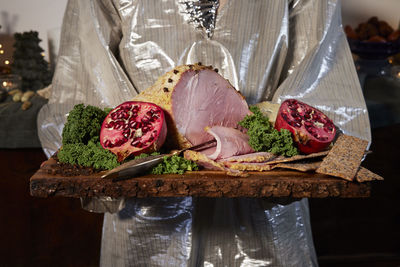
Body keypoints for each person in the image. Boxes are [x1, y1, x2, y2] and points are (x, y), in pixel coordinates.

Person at [38, 0, 371, 266]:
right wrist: (140, 142)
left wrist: (263, 149)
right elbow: (86, 77)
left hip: (267, 221)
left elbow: (323, 79)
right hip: (149, 222)